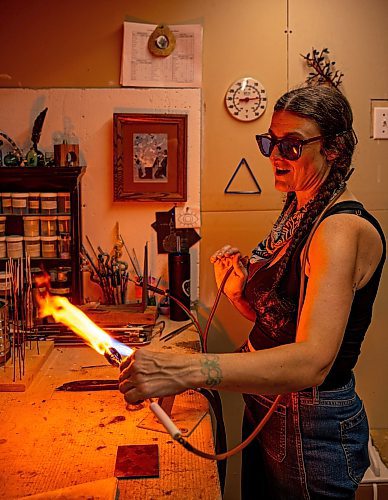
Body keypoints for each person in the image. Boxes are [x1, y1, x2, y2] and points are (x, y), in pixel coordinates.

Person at [119, 85, 386, 499]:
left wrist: (182, 371)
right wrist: (242, 293)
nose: (276, 156)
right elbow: (285, 324)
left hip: (307, 423)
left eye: (292, 145)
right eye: (271, 142)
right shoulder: (298, 207)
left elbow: (312, 361)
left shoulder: (339, 229)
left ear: (332, 149)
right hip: (270, 408)